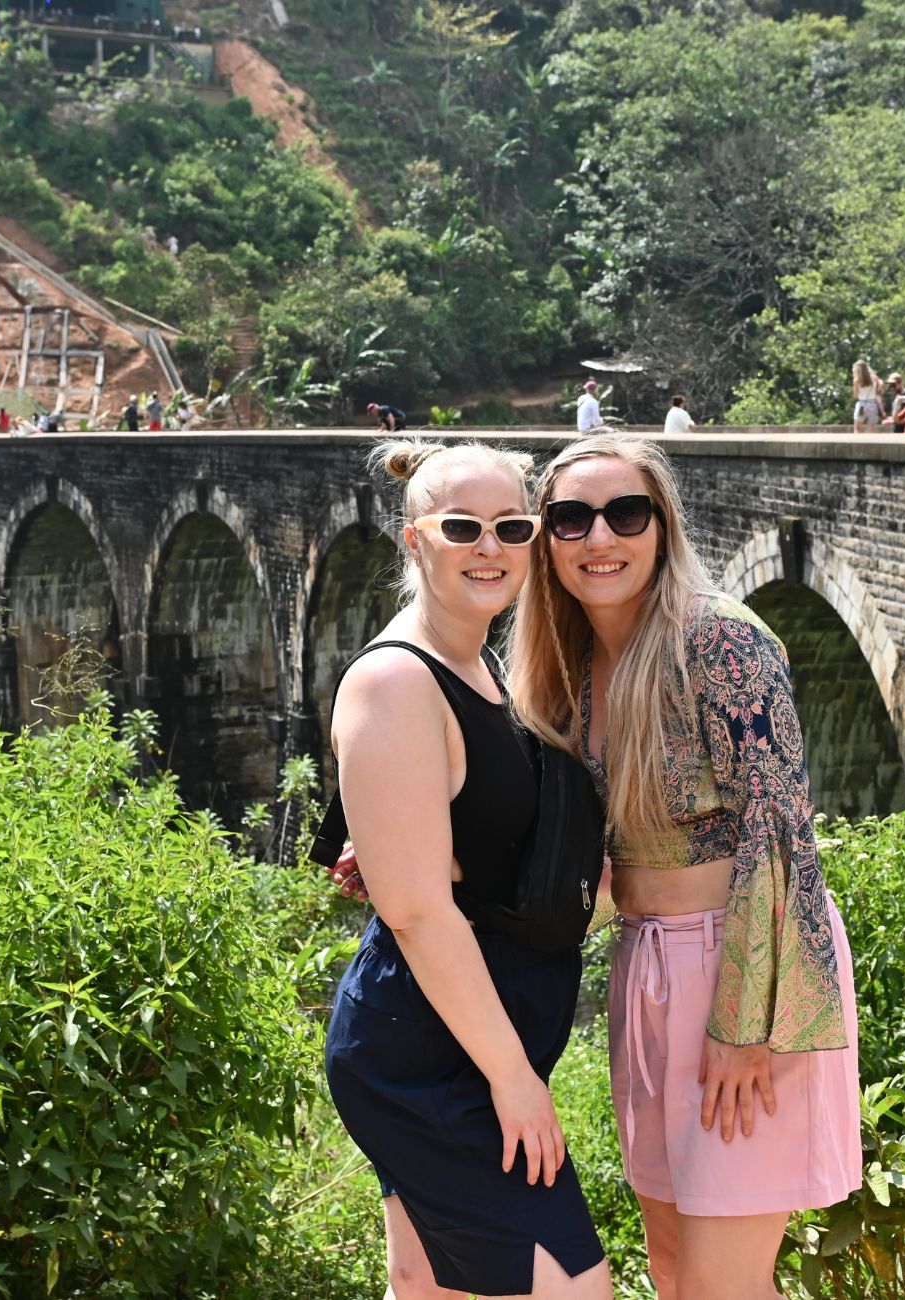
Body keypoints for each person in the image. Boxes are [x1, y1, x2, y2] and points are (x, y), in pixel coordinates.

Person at [508, 434, 862, 1300]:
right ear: (545, 541)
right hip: (646, 968)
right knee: (671, 1271)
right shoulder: (572, 664)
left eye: (626, 514)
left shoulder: (721, 643)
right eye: (571, 518)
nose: (601, 539)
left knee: (719, 1288)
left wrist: (747, 1025)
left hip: (745, 974)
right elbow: (556, 843)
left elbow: (782, 840)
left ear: (661, 527)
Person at [325, 440, 611, 1300]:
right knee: (573, 1288)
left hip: (470, 1038)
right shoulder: (395, 681)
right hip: (433, 1055)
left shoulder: (479, 664)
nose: (490, 547)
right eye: (463, 528)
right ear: (416, 540)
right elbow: (416, 912)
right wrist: (513, 1080)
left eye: (512, 527)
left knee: (426, 1285)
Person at [850, 359, 882, 433]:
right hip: (872, 404)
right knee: (871, 428)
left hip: (862, 404)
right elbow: (880, 385)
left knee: (857, 428)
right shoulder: (874, 379)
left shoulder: (857, 381)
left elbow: (855, 395)